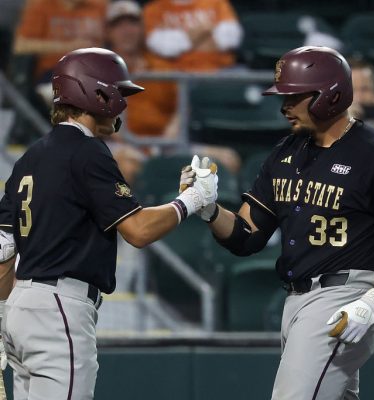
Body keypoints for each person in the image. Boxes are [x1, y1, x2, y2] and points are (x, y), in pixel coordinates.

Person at [180, 46, 374, 399]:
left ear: (329, 94)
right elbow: (246, 237)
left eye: (295, 96)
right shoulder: (285, 152)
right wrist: (208, 209)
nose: (284, 106)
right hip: (297, 300)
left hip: (345, 297)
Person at [0, 47, 217, 399]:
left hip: (21, 308)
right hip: (60, 310)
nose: (123, 103)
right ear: (95, 93)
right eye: (118, 92)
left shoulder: (30, 156)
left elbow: (3, 246)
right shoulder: (88, 150)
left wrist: (1, 315)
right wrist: (193, 200)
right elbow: (138, 231)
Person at [106, 0, 242, 173]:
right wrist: (134, 144)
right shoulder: (99, 67)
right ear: (108, 32)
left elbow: (181, 106)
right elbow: (100, 121)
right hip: (122, 145)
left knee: (227, 160)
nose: (126, 31)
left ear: (142, 28)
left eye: (132, 23)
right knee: (128, 166)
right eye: (118, 25)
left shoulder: (161, 66)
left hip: (164, 144)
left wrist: (169, 137)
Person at [143, 0, 243, 72]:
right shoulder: (153, 9)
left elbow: (230, 39)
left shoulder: (217, 3)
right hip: (175, 76)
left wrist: (179, 41)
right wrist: (203, 32)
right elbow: (165, 48)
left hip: (220, 70)